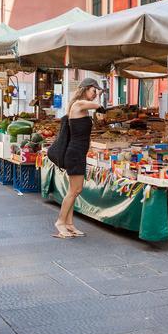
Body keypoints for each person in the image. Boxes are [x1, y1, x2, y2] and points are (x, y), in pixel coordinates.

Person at [49, 77, 104, 239]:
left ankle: (70, 224)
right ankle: (60, 222)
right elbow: (100, 106)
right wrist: (100, 95)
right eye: (94, 90)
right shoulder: (79, 104)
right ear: (86, 89)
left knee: (73, 191)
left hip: (78, 153)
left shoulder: (82, 108)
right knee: (75, 190)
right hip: (74, 153)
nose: (95, 94)